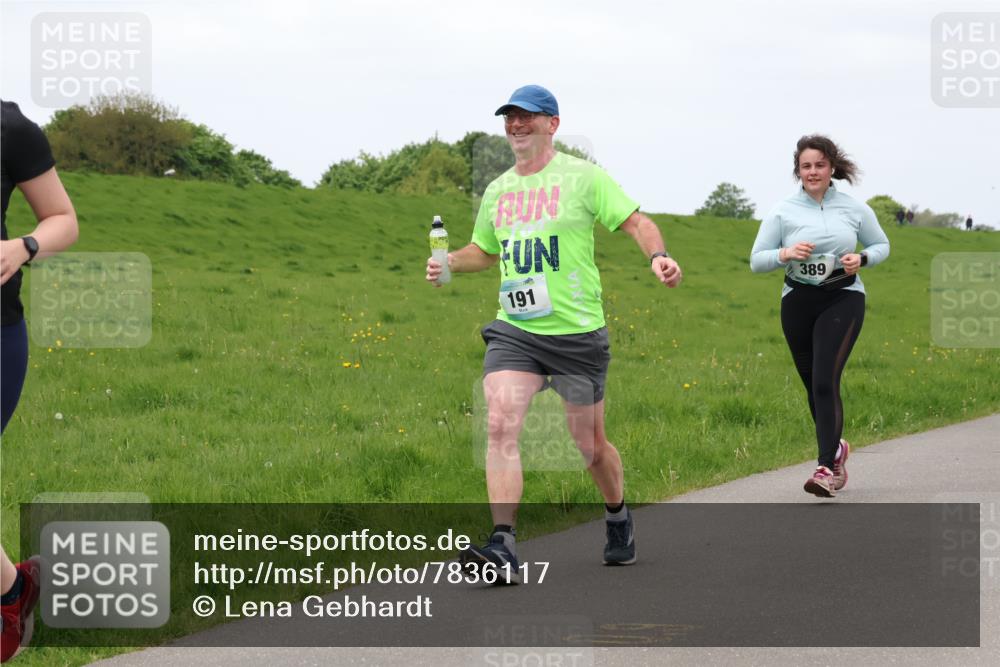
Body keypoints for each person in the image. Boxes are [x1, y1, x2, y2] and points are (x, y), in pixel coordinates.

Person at [426, 85, 682, 581]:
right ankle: (503, 546)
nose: (516, 125)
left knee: (589, 446)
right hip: (516, 330)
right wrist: (450, 262)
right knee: (500, 422)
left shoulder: (582, 177)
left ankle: (618, 515)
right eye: (509, 118)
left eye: (527, 116)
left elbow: (636, 223)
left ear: (553, 124)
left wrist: (659, 256)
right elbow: (485, 252)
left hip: (576, 335)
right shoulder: (498, 190)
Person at [750, 135, 889, 498]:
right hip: (798, 301)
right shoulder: (783, 211)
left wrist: (862, 258)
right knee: (813, 385)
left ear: (832, 168)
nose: (813, 172)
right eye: (806, 166)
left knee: (826, 381)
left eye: (820, 165)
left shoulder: (854, 209)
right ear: (798, 170)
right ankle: (836, 448)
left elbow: (881, 245)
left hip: (843, 297)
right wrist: (785, 253)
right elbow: (756, 260)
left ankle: (825, 467)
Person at [1, 100, 79, 662]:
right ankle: (15, 589)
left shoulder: (9, 127)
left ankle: (13, 594)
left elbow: (63, 219)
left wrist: (24, 246)